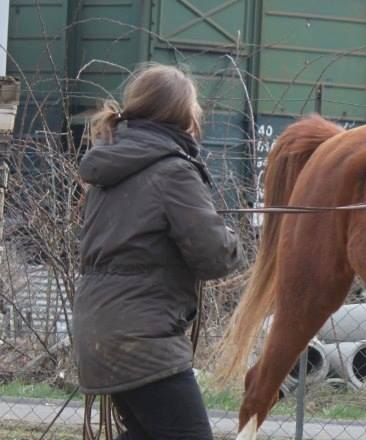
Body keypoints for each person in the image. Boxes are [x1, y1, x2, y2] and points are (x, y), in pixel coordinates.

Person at [73, 64, 241, 440]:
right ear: (183, 113)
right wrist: (232, 240)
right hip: (142, 337)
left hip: (102, 329)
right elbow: (214, 256)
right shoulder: (173, 171)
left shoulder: (109, 166)